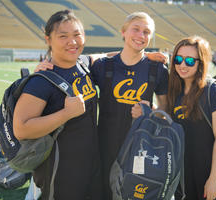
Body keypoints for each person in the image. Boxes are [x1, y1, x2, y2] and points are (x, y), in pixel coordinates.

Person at [13, 10, 102, 199]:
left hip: (91, 165)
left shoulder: (83, 63)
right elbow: (21, 129)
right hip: (60, 172)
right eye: (63, 36)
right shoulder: (41, 81)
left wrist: (144, 55)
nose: (72, 42)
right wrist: (65, 114)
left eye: (77, 35)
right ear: (48, 39)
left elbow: (104, 56)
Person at [91, 12, 169, 200]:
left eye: (146, 32)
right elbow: (78, 62)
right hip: (104, 147)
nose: (141, 36)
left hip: (140, 148)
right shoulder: (103, 66)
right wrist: (47, 63)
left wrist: (150, 112)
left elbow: (165, 109)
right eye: (136, 29)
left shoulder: (157, 69)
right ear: (123, 32)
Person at [166, 36, 216, 200]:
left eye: (189, 61)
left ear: (201, 63)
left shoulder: (212, 90)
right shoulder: (174, 92)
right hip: (183, 173)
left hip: (208, 171)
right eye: (178, 59)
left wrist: (214, 178)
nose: (182, 65)